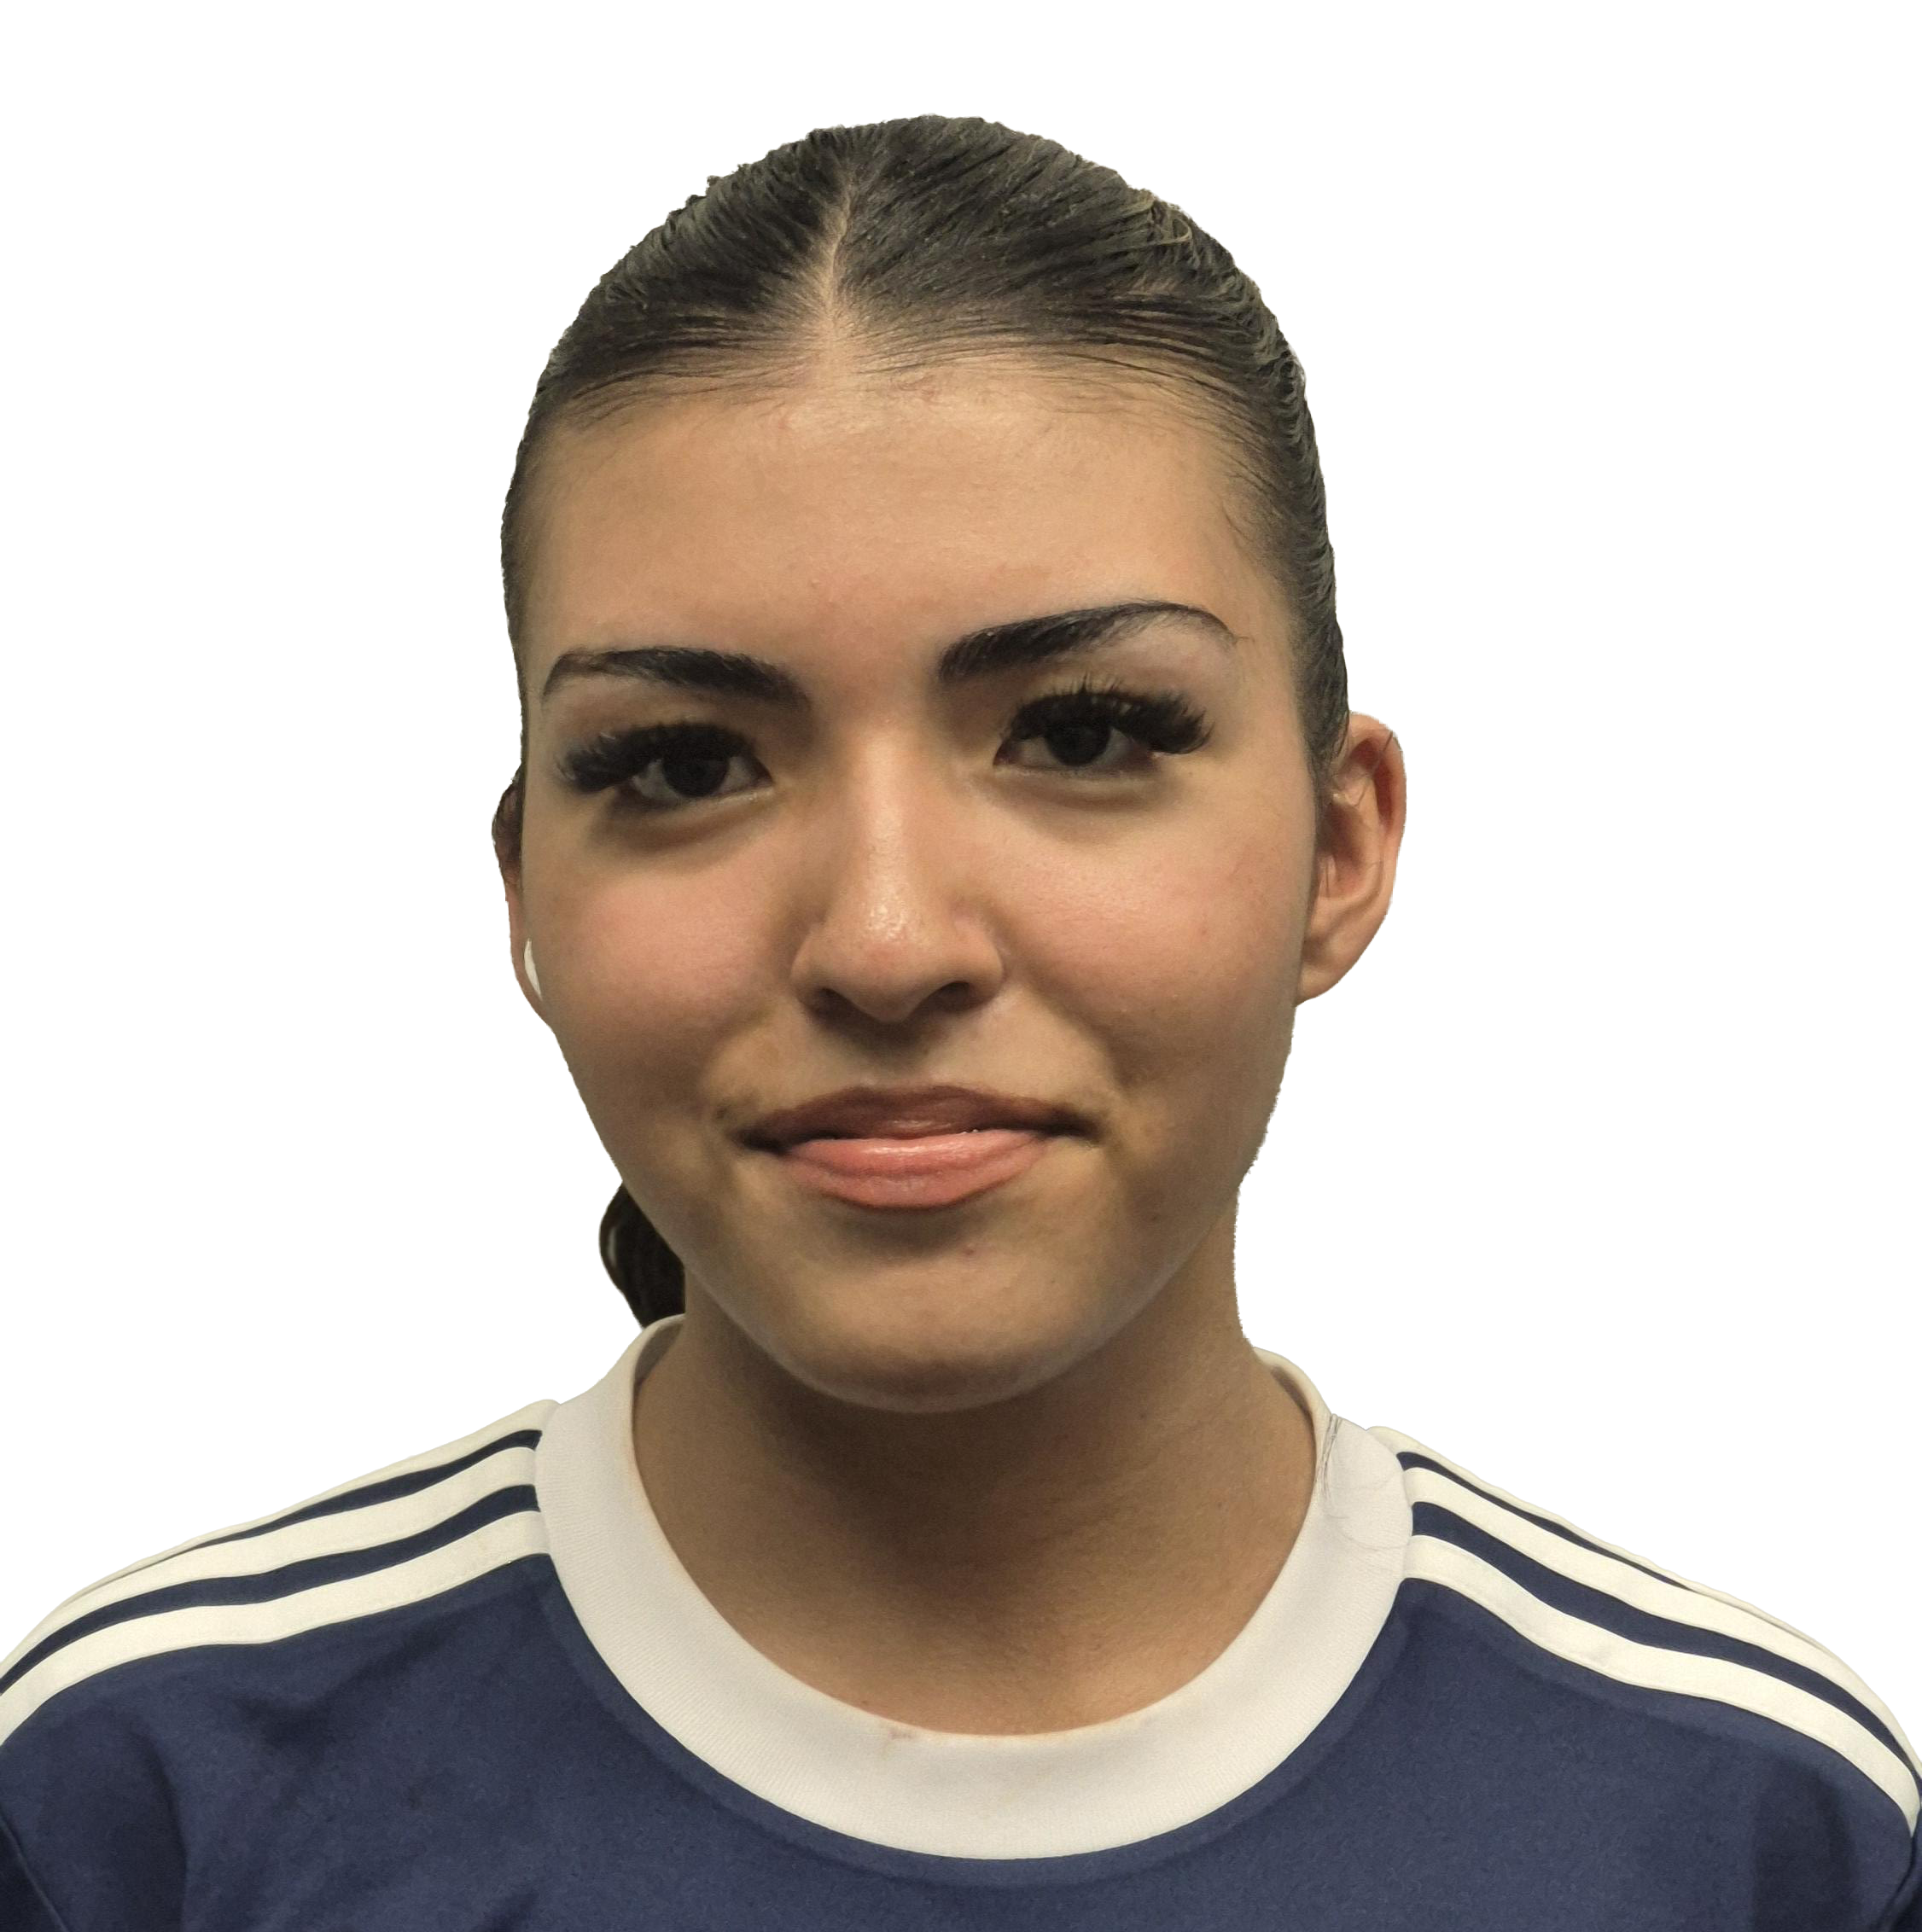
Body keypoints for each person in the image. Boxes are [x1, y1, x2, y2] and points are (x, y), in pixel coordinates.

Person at [0, 113, 1911, 1930]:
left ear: (1337, 850)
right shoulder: (133, 1797)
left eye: (1081, 734)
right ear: (526, 893)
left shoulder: (1755, 1823)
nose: (886, 941)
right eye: (683, 764)